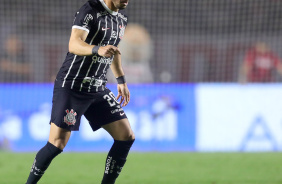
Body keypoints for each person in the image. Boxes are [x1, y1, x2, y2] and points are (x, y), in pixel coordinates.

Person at [25, 0, 135, 184]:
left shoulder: (121, 19)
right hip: (73, 85)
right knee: (57, 144)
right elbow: (74, 44)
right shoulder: (89, 11)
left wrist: (121, 80)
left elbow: (114, 50)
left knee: (126, 136)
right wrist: (97, 49)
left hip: (98, 87)